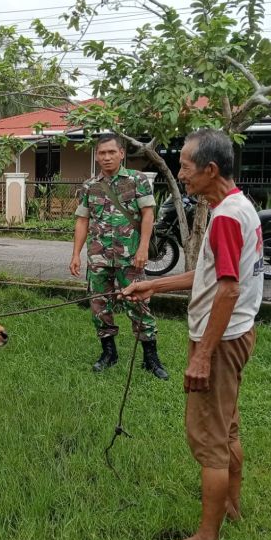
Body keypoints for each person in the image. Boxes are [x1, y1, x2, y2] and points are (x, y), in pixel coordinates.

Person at [124, 129, 264, 540]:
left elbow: (227, 291)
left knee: (210, 439)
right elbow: (210, 276)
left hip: (219, 341)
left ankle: (206, 537)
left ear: (211, 169)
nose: (181, 173)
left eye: (185, 166)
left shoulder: (225, 218)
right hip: (238, 334)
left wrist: (202, 356)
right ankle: (232, 507)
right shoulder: (237, 206)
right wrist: (154, 284)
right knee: (227, 427)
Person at [69, 133, 168, 380]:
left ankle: (150, 358)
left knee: (139, 304)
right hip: (99, 257)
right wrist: (76, 254)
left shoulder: (137, 180)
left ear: (121, 154)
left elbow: (148, 214)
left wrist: (143, 248)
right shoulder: (90, 186)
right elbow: (82, 220)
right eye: (102, 153)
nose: (107, 157)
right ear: (97, 156)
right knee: (99, 306)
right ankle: (109, 353)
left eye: (112, 152)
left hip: (130, 256)